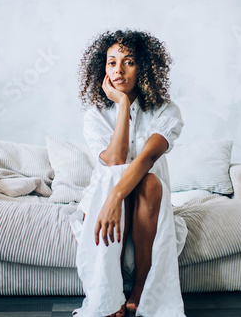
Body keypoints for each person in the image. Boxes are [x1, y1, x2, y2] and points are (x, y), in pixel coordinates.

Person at [70, 29, 187, 317]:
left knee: (147, 182)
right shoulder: (95, 115)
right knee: (118, 174)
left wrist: (115, 197)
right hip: (105, 193)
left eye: (129, 61)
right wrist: (122, 104)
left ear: (144, 67)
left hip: (147, 197)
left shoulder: (166, 110)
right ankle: (110, 296)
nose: (118, 69)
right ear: (103, 68)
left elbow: (147, 157)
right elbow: (116, 160)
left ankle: (140, 288)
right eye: (111, 62)